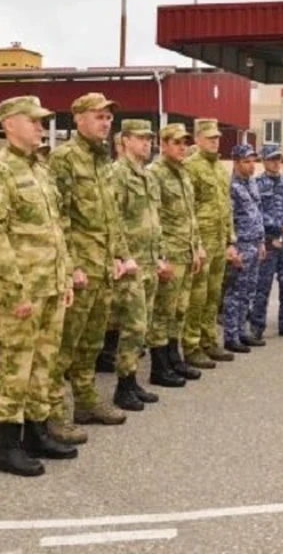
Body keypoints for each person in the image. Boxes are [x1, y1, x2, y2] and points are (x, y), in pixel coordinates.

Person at [0, 95, 77, 477]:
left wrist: (64, 277)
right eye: (32, 121)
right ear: (9, 124)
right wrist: (14, 291)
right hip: (21, 290)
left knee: (44, 365)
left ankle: (37, 433)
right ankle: (8, 446)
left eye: (41, 121)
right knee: (16, 366)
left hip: (49, 285)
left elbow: (56, 230)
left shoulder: (41, 169)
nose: (39, 126)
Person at [46, 93, 129, 441]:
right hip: (81, 269)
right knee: (64, 345)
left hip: (103, 267)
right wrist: (71, 266)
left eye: (109, 117)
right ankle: (52, 414)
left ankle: (85, 401)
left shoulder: (102, 159)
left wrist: (120, 255)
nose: (106, 122)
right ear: (78, 118)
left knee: (92, 343)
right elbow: (58, 217)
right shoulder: (64, 158)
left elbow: (112, 214)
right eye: (99, 116)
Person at [109, 119, 165, 410]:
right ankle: (123, 385)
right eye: (141, 138)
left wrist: (161, 255)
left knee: (142, 326)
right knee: (133, 325)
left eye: (149, 139)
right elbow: (113, 219)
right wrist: (122, 256)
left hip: (149, 260)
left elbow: (155, 221)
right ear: (126, 140)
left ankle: (132, 380)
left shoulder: (147, 175)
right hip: (131, 264)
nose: (147, 143)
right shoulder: (117, 174)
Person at [147, 123, 203, 386]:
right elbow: (152, 219)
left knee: (179, 310)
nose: (182, 147)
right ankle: (159, 367)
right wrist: (160, 257)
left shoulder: (183, 173)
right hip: (169, 254)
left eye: (185, 143)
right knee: (163, 312)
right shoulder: (155, 174)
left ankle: (173, 357)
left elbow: (191, 215)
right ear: (163, 144)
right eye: (177, 142)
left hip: (186, 252)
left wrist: (198, 246)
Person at [181, 118, 240, 368]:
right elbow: (187, 210)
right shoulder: (190, 167)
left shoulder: (219, 169)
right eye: (210, 138)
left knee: (214, 295)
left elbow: (226, 208)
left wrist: (230, 240)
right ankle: (191, 345)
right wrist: (195, 245)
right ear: (197, 139)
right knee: (198, 296)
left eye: (217, 138)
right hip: (201, 243)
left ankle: (209, 340)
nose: (215, 142)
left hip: (218, 241)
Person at [248, 145, 283, 340]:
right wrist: (279, 228)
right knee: (262, 287)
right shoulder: (256, 184)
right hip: (268, 241)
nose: (276, 163)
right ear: (264, 161)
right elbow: (256, 214)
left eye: (278, 159)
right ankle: (256, 327)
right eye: (272, 159)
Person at [222, 145, 267, 352]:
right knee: (235, 293)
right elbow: (227, 219)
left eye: (253, 161)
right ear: (237, 162)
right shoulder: (231, 187)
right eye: (247, 161)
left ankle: (242, 331)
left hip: (253, 244)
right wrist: (231, 247)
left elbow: (257, 214)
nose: (251, 165)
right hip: (240, 246)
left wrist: (261, 242)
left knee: (248, 291)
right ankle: (231, 335)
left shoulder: (252, 184)